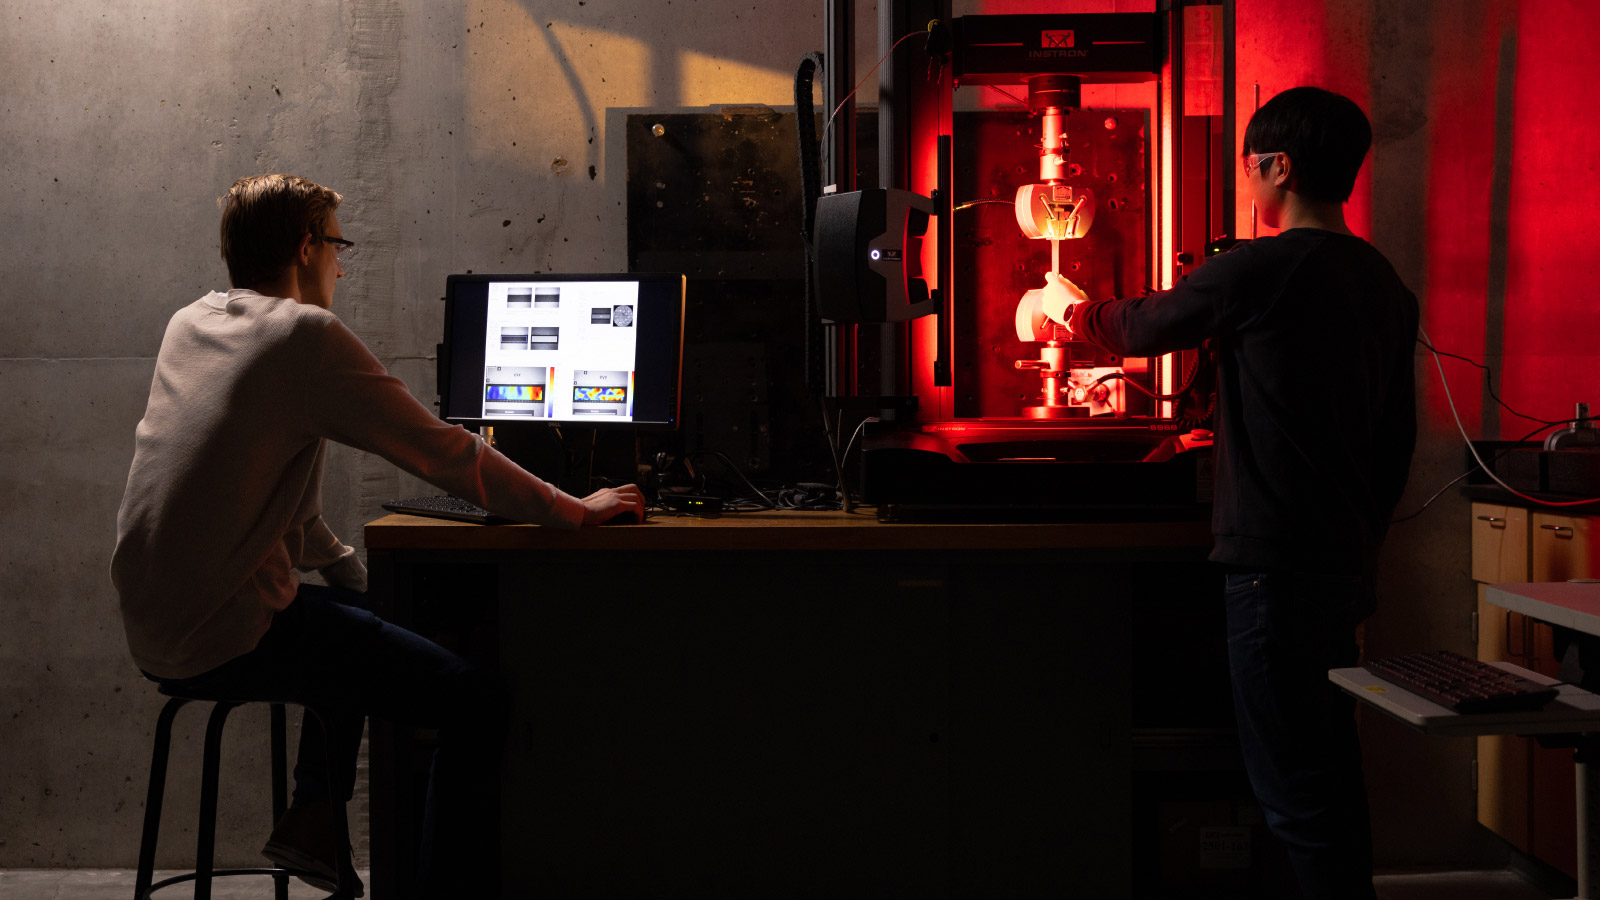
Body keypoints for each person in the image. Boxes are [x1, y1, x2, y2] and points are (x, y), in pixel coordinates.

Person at [111, 173, 644, 898]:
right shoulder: (304, 336)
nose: (342, 261)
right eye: (337, 243)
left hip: (152, 629)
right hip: (224, 633)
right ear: (306, 246)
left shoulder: (194, 322)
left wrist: (361, 584)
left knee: (353, 628)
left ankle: (314, 818)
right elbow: (444, 453)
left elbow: (288, 513)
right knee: (473, 699)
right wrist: (574, 511)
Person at [1059, 87, 1418, 900]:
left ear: (1279, 167)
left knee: (1289, 788)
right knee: (1328, 770)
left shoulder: (1258, 269)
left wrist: (1077, 313)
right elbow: (1397, 440)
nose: (1249, 184)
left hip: (1270, 567)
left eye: (1252, 168)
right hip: (1342, 564)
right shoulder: (1384, 284)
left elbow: (1147, 326)